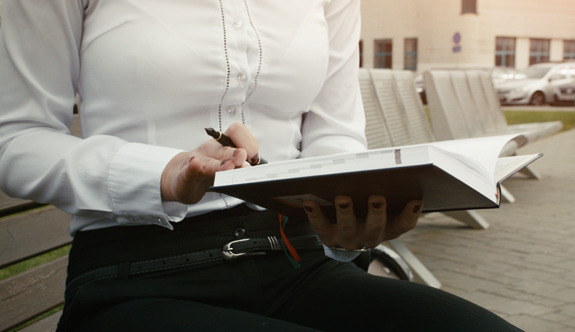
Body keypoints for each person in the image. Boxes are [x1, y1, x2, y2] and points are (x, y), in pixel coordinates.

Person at [0, 1, 522, 331]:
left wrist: (343, 213)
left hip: (297, 263)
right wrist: (165, 172)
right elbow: (16, 138)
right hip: (139, 275)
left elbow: (334, 131)